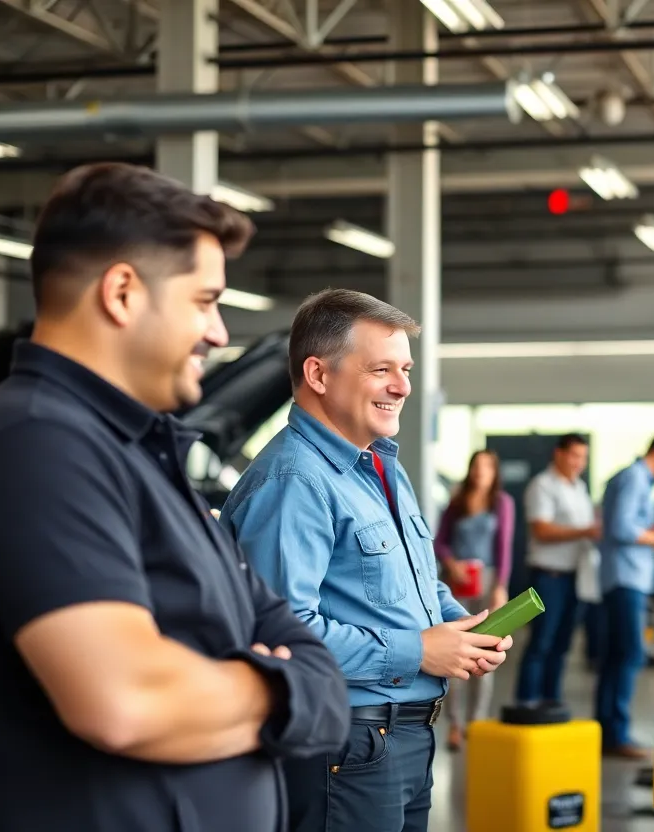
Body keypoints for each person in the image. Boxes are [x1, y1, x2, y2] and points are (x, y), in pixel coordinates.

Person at [0, 162, 350, 832]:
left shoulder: (145, 456)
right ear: (123, 292)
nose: (218, 333)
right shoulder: (39, 444)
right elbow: (126, 699)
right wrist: (278, 687)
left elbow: (323, 675)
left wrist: (234, 687)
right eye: (204, 301)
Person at [218, 288, 514, 832]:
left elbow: (410, 580)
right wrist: (420, 651)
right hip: (346, 744)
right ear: (319, 374)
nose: (402, 386)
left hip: (405, 737)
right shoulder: (294, 482)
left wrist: (459, 627)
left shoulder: (381, 467)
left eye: (404, 368)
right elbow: (282, 638)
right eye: (381, 369)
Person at [595, 431, 654, 759]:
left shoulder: (632, 479)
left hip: (623, 577)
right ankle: (616, 734)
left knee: (616, 655)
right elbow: (620, 527)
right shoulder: (635, 478)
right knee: (631, 653)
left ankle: (607, 731)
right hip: (626, 578)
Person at [434, 448, 515, 751]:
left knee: (486, 652)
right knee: (456, 652)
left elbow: (504, 545)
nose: (481, 472)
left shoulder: (502, 504)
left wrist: (501, 586)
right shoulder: (457, 502)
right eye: (477, 466)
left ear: (495, 473)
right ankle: (454, 724)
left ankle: (476, 722)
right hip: (457, 582)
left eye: (487, 467)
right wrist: (450, 561)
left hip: (489, 578)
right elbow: (439, 541)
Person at [514, 432, 603, 706]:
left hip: (576, 576)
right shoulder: (543, 485)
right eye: (575, 456)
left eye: (583, 458)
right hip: (549, 576)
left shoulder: (579, 488)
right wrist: (585, 530)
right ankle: (527, 701)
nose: (579, 463)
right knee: (542, 641)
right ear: (559, 453)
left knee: (563, 644)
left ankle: (551, 701)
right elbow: (541, 529)